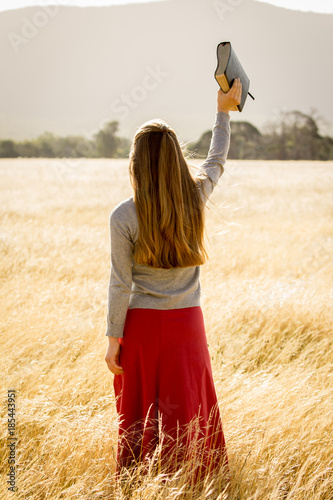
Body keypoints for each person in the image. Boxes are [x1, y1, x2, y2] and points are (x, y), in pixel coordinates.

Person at [105, 79, 242, 485]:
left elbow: (119, 283)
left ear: (135, 163)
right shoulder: (194, 197)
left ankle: (136, 484)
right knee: (190, 411)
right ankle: (193, 483)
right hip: (187, 326)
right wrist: (222, 111)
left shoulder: (123, 216)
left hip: (142, 328)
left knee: (138, 415)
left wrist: (113, 338)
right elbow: (216, 159)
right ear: (174, 160)